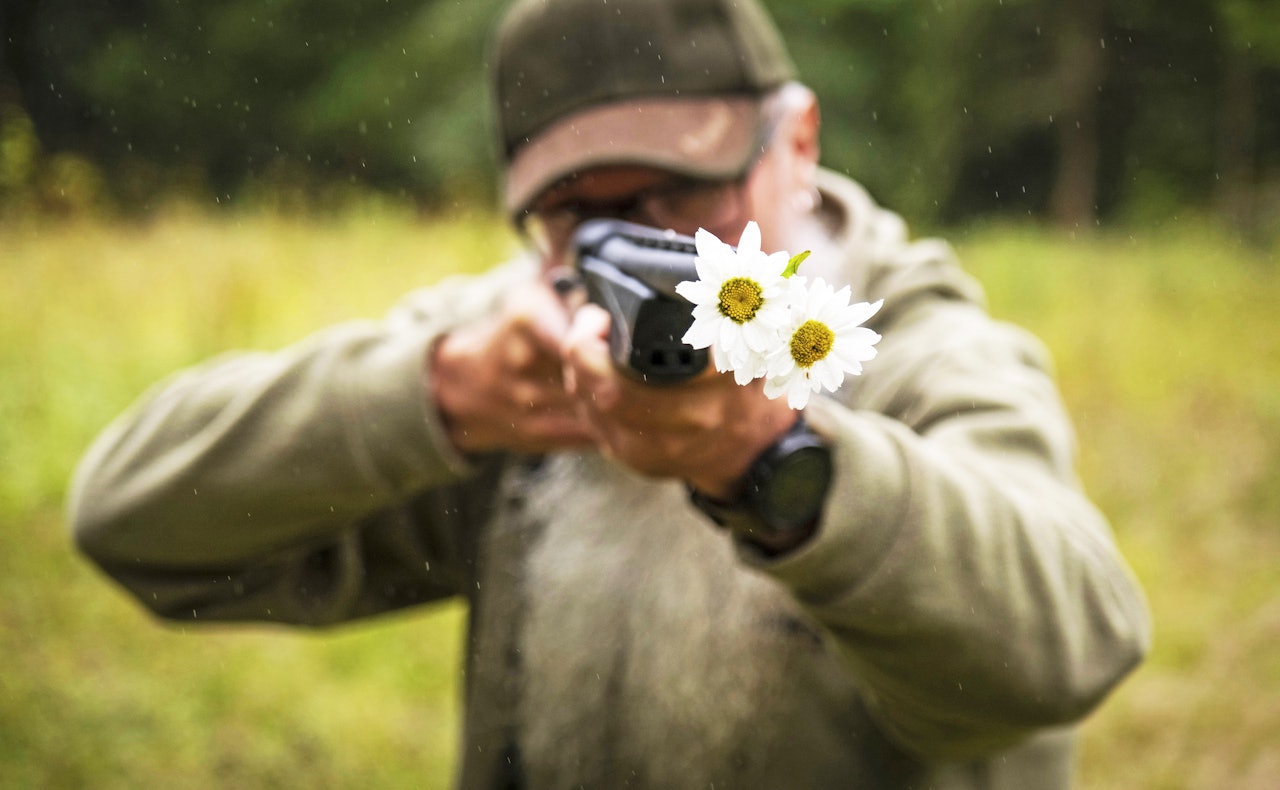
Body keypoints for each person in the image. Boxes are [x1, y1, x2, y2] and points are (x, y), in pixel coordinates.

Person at [68, 0, 1151, 786]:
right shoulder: (510, 356)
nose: (641, 243)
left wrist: (772, 459)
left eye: (679, 188)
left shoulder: (917, 345)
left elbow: (1070, 645)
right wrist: (439, 396)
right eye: (581, 214)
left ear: (799, 142)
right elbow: (132, 519)